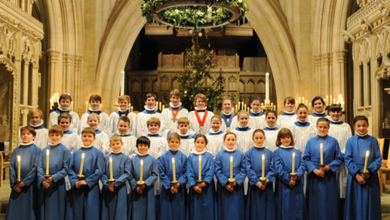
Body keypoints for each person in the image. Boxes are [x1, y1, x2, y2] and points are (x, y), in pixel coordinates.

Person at [303, 118, 343, 220]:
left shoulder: (333, 141)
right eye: (320, 127)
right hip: (314, 176)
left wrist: (328, 167)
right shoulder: (311, 141)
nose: (322, 129)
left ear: (328, 128)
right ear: (316, 127)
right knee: (315, 201)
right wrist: (314, 170)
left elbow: (338, 158)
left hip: (328, 176)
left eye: (325, 127)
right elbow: (306, 158)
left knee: (329, 200)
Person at [344, 116, 382, 220]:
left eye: (364, 125)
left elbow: (378, 159)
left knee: (370, 202)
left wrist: (369, 172)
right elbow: (347, 159)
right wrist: (357, 175)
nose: (361, 128)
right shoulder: (350, 141)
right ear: (354, 126)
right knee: (356, 202)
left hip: (370, 175)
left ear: (368, 125)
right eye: (359, 126)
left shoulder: (373, 140)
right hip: (355, 176)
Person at [66, 128, 104, 220]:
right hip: (78, 185)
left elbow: (99, 170)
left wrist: (87, 181)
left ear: (94, 138)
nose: (87, 138)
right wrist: (75, 181)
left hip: (91, 186)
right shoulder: (76, 153)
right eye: (84, 136)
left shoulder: (98, 153)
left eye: (89, 136)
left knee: (91, 211)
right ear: (81, 138)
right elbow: (70, 169)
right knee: (77, 211)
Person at [5, 126, 41, 220]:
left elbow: (36, 167)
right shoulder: (16, 150)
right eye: (23, 134)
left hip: (29, 185)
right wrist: (14, 183)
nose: (25, 136)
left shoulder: (37, 150)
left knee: (28, 208)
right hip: (17, 184)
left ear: (33, 136)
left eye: (28, 134)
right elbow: (12, 166)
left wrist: (25, 182)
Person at [37, 125, 71, 220]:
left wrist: (53, 178)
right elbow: (39, 166)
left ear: (61, 136)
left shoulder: (65, 151)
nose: (54, 137)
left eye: (57, 135)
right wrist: (42, 180)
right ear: (49, 135)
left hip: (57, 183)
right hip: (45, 183)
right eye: (52, 135)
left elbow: (66, 168)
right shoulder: (44, 150)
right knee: (45, 206)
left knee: (57, 207)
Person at [274, 128, 307, 220]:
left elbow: (303, 165)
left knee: (297, 207)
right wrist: (288, 180)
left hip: (296, 183)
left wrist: (296, 176)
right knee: (286, 207)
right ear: (279, 139)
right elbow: (278, 168)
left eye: (288, 137)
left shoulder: (297, 152)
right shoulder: (277, 152)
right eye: (283, 138)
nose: (286, 140)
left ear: (291, 139)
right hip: (284, 184)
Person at [327, 104, 352, 218]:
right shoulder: (326, 126)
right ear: (329, 112)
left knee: (342, 187)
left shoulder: (346, 126)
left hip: (341, 161)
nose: (336, 114)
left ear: (341, 112)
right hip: (329, 161)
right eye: (333, 112)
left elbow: (349, 143)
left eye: (338, 112)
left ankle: (342, 214)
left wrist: (341, 155)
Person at [215, 132, 246, 220]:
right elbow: (217, 170)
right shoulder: (220, 154)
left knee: (236, 209)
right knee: (225, 209)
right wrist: (225, 184)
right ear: (224, 141)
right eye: (228, 140)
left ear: (236, 141)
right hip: (224, 186)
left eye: (233, 140)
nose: (231, 142)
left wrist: (235, 181)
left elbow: (243, 170)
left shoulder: (240, 154)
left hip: (237, 186)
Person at [245, 129, 275, 220]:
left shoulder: (270, 153)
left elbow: (273, 168)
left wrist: (266, 180)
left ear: (264, 138)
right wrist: (258, 183)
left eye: (261, 138)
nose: (259, 140)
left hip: (267, 184)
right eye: (257, 138)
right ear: (253, 139)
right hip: (255, 185)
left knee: (267, 208)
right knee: (255, 208)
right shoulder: (249, 153)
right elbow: (248, 169)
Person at [101, 135, 131, 220]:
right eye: (113, 144)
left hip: (120, 187)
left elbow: (127, 173)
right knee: (108, 209)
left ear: (122, 144)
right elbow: (102, 173)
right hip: (107, 188)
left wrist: (115, 183)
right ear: (110, 146)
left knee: (120, 209)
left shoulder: (126, 158)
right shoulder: (106, 158)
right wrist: (107, 185)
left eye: (117, 144)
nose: (116, 146)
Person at [158, 133, 187, 220]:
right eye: (172, 142)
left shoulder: (183, 157)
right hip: (167, 188)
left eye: (176, 142)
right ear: (168, 142)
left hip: (179, 188)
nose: (174, 144)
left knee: (178, 211)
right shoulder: (163, 157)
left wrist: (179, 183)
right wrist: (170, 186)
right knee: (167, 211)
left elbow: (186, 172)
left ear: (179, 143)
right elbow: (162, 173)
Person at [187, 135, 216, 220]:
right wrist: (193, 185)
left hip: (207, 186)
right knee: (196, 208)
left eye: (202, 143)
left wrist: (206, 182)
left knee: (207, 208)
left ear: (206, 144)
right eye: (198, 142)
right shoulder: (191, 157)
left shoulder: (210, 156)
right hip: (195, 185)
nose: (199, 144)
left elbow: (211, 170)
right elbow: (189, 171)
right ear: (194, 143)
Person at [129, 136, 158, 220]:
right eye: (141, 145)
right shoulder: (132, 160)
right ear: (137, 146)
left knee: (148, 210)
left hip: (148, 189)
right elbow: (130, 175)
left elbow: (155, 174)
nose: (143, 147)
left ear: (148, 147)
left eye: (145, 146)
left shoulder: (153, 160)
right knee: (137, 211)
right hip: (136, 189)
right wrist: (136, 186)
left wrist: (145, 184)